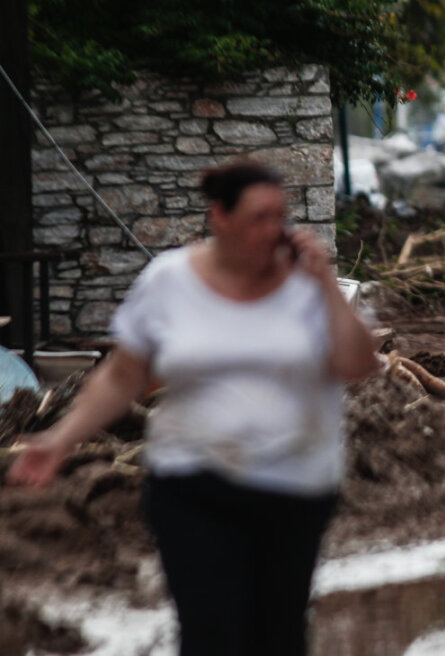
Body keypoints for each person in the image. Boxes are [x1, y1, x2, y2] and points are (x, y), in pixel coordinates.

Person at [7, 161, 378, 655]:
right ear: (219, 217)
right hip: (192, 483)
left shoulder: (306, 286)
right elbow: (123, 374)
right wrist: (59, 439)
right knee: (209, 634)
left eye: (279, 217)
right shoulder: (169, 280)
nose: (274, 231)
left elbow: (358, 363)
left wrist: (326, 284)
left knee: (279, 635)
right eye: (258, 218)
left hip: (294, 484)